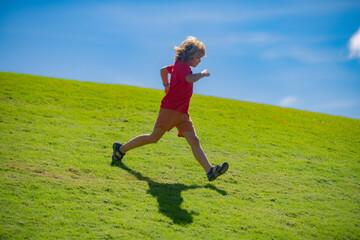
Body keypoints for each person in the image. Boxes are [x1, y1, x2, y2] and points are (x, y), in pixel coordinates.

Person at [112, 36, 228, 181]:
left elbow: (163, 70)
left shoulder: (177, 66)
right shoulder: (182, 66)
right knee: (153, 137)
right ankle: (121, 149)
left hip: (182, 113)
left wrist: (166, 86)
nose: (199, 61)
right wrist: (203, 74)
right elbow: (189, 79)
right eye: (198, 57)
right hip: (170, 110)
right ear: (189, 55)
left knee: (194, 141)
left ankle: (210, 170)